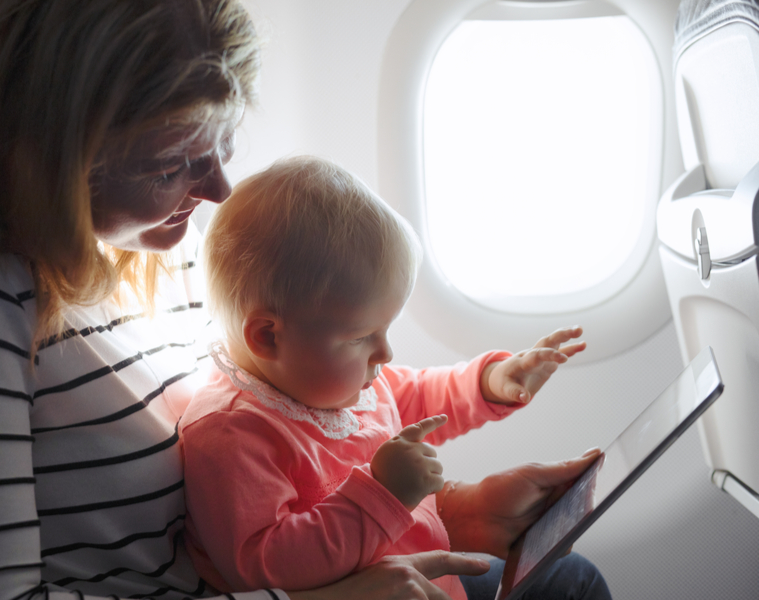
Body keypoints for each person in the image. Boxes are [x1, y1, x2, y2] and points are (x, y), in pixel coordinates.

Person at [0, 1, 606, 599]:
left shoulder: (148, 258)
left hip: (311, 572)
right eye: (175, 163)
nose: (217, 190)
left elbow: (298, 450)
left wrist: (453, 513)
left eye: (222, 147)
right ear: (64, 150)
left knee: (568, 577)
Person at [180, 156, 611, 600]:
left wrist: (490, 381)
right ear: (268, 337)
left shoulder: (337, 384)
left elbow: (421, 395)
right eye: (364, 336)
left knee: (576, 579)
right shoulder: (231, 434)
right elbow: (263, 563)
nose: (385, 353)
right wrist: (383, 494)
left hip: (429, 581)